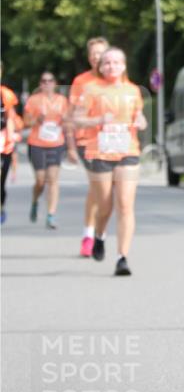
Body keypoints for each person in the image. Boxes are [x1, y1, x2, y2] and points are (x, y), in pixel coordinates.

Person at [73, 47, 147, 276]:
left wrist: (140, 122)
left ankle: (122, 257)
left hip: (127, 151)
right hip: (100, 152)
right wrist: (98, 119)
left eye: (116, 62)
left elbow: (140, 117)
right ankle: (99, 235)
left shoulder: (133, 90)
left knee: (125, 205)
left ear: (124, 66)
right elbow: (77, 120)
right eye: (107, 63)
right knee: (105, 207)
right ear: (100, 66)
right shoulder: (91, 89)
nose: (111, 66)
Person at [67, 36, 109, 256]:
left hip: (113, 142)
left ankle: (98, 231)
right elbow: (71, 116)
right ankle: (89, 235)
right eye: (93, 53)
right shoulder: (81, 81)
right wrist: (71, 146)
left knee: (107, 190)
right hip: (87, 141)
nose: (96, 57)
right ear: (89, 57)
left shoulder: (116, 79)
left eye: (100, 53)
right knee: (96, 187)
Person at [23, 73, 70, 229]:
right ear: (40, 84)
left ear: (55, 83)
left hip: (56, 143)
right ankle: (35, 201)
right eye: (44, 81)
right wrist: (36, 119)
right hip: (37, 144)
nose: (47, 83)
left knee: (53, 179)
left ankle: (51, 214)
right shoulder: (33, 100)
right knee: (40, 181)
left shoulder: (62, 101)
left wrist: (65, 121)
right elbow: (26, 122)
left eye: (50, 80)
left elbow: (68, 121)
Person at [1, 66, 22, 225]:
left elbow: (10, 118)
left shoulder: (6, 94)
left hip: (2, 140)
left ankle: (1, 205)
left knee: (1, 180)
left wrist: (10, 139)